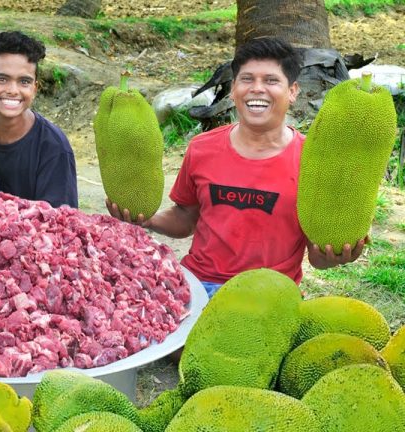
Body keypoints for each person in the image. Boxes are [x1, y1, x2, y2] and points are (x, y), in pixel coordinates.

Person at [108, 37, 366, 297]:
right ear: (233, 89)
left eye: (271, 80)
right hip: (198, 286)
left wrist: (335, 256)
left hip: (270, 293)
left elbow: (316, 257)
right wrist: (146, 219)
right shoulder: (201, 148)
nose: (257, 88)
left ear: (293, 91)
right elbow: (186, 219)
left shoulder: (313, 160)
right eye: (247, 79)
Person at [0, 31, 78, 208]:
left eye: (24, 81)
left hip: (33, 235)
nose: (13, 90)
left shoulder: (54, 148)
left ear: (35, 88)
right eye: (2, 79)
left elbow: (60, 223)